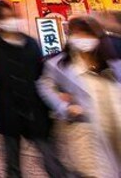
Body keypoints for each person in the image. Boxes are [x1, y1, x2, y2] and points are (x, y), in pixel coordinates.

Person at [0, 1, 68, 178]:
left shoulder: (30, 42)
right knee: (12, 161)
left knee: (51, 157)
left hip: (35, 107)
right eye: (4, 18)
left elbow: (43, 72)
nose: (10, 21)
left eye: (12, 17)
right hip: (8, 108)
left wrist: (57, 92)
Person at [38, 16, 121, 177]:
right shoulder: (60, 64)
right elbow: (44, 85)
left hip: (115, 124)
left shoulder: (112, 61)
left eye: (86, 34)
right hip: (86, 130)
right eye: (77, 34)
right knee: (95, 172)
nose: (82, 39)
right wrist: (64, 107)